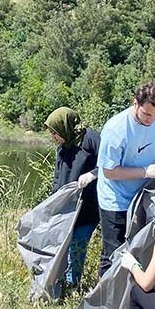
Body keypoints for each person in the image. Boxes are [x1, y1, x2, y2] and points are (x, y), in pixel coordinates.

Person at [96, 82, 155, 276]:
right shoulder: (116, 129)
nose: (151, 120)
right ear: (135, 104)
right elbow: (109, 171)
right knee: (115, 253)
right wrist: (145, 171)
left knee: (139, 248)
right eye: (146, 114)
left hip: (142, 197)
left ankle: (133, 295)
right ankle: (105, 299)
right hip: (115, 199)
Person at [44, 107, 100, 295]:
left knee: (77, 246)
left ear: (65, 126)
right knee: (61, 247)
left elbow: (109, 164)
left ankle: (72, 286)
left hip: (88, 208)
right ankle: (58, 284)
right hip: (66, 210)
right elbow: (58, 177)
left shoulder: (91, 140)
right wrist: (53, 202)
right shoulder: (64, 146)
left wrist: (92, 174)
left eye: (54, 132)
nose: (53, 136)